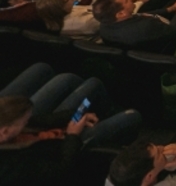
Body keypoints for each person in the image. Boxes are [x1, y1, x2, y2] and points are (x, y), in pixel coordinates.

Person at [0, 64, 141, 183]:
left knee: (90, 83)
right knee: (131, 116)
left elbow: (42, 120)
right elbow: (62, 170)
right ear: (5, 132)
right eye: (24, 121)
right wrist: (73, 135)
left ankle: (105, 113)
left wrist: (76, 115)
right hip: (66, 149)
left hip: (62, 131)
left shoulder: (13, 124)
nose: (26, 122)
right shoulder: (12, 168)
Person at [93, 0, 176, 49]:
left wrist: (171, 8)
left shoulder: (104, 25)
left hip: (156, 30)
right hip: (170, 38)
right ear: (121, 13)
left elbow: (141, 15)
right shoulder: (145, 27)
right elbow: (173, 30)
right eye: (126, 1)